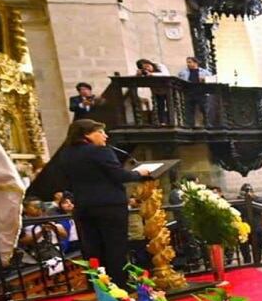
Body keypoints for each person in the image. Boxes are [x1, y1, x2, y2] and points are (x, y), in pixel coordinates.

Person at [51, 119, 153, 287]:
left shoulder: (66, 154)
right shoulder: (100, 151)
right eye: (101, 132)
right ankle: (119, 286)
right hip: (109, 207)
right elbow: (119, 176)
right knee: (115, 246)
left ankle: (99, 286)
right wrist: (139, 173)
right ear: (87, 135)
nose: (105, 136)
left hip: (83, 207)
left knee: (93, 248)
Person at [178, 56, 216, 127]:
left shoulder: (205, 72)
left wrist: (205, 80)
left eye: (190, 62)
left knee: (204, 108)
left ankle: (207, 123)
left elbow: (212, 81)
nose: (188, 64)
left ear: (195, 63)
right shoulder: (183, 72)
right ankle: (189, 125)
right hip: (189, 92)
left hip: (201, 92)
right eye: (187, 62)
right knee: (189, 110)